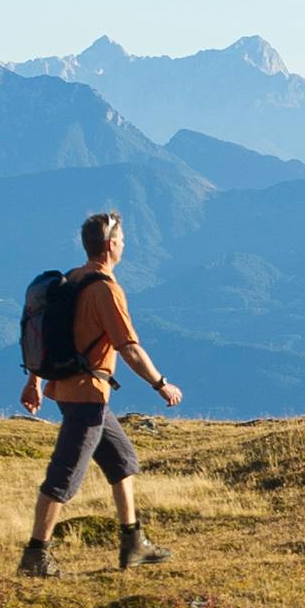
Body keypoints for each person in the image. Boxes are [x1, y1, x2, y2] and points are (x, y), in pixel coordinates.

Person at [17, 210, 183, 578]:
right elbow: (129, 348)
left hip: (73, 389)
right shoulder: (106, 289)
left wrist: (34, 380)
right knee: (63, 477)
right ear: (111, 246)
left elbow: (49, 333)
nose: (125, 246)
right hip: (86, 396)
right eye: (123, 240)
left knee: (122, 461)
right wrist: (161, 384)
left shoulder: (73, 278)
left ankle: (133, 543)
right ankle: (35, 556)